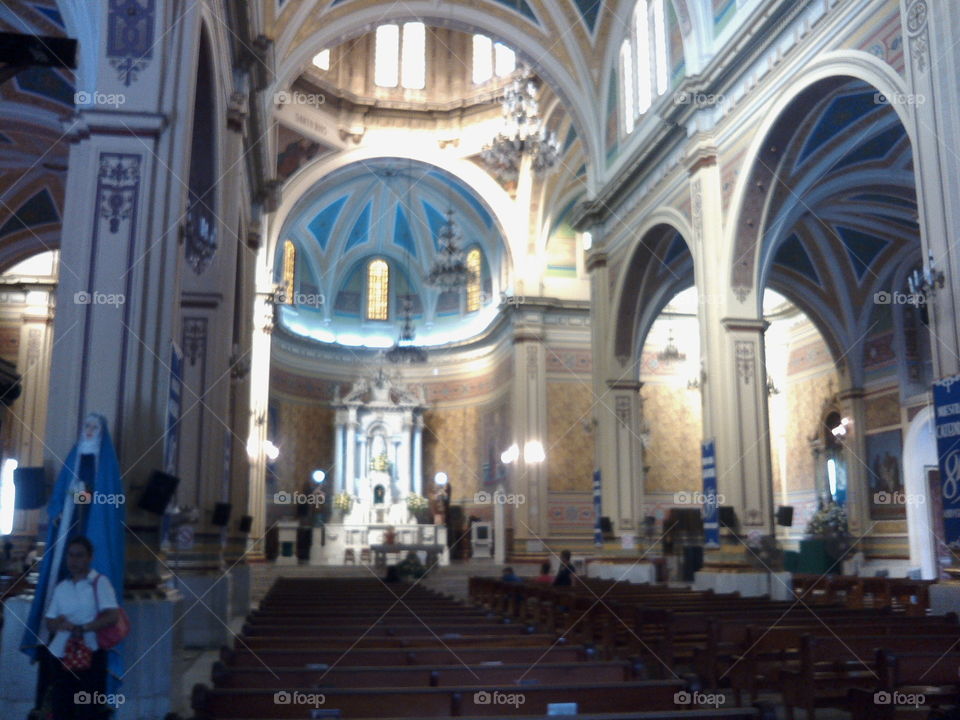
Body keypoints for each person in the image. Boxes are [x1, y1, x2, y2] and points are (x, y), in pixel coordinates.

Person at [44, 536, 119, 719]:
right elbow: (49, 622)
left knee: (89, 709)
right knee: (62, 708)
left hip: (91, 655)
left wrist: (83, 628)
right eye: (70, 555)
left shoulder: (99, 583)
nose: (74, 560)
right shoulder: (62, 587)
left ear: (90, 557)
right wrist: (60, 624)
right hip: (61, 655)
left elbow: (112, 616)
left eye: (79, 555)